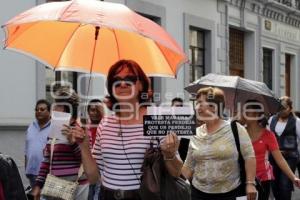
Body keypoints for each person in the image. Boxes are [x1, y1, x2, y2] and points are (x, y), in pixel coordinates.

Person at [69, 59, 183, 200]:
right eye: (116, 79)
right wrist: (84, 145)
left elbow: (176, 172)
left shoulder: (156, 118)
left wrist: (169, 154)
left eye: (129, 79)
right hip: (107, 195)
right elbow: (93, 177)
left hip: (143, 196)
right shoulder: (105, 123)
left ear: (141, 85)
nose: (122, 83)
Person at [181, 87, 257, 200]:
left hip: (230, 193)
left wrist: (250, 183)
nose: (197, 107)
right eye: (196, 103)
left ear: (214, 106)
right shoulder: (196, 133)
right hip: (198, 194)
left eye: (200, 103)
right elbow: (189, 166)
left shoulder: (235, 128)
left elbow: (249, 157)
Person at [31, 87, 90, 200]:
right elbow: (46, 162)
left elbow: (86, 162)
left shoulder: (81, 132)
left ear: (70, 113)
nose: (54, 109)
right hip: (55, 188)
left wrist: (73, 142)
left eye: (59, 106)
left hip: (77, 188)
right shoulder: (53, 132)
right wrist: (38, 186)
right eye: (55, 105)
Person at [241, 99, 300, 200]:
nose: (243, 114)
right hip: (242, 178)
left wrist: (293, 177)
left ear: (256, 115)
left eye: (246, 112)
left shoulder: (268, 135)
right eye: (243, 111)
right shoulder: (238, 132)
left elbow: (279, 159)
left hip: (262, 179)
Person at [267, 96, 300, 200]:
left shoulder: (296, 121)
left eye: (284, 107)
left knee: (285, 186)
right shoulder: (272, 119)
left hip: (290, 158)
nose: (281, 110)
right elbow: (267, 136)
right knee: (274, 185)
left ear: (290, 108)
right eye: (280, 107)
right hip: (273, 158)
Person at [25, 99, 51, 188]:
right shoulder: (31, 127)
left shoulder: (54, 128)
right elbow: (27, 150)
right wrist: (26, 169)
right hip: (32, 173)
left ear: (49, 112)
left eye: (42, 109)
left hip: (47, 174)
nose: (38, 111)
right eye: (36, 109)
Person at [87, 99, 104, 200]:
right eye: (93, 110)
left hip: (102, 171)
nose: (95, 113)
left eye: (98, 110)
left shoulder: (106, 126)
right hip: (87, 171)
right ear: (88, 111)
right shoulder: (84, 127)